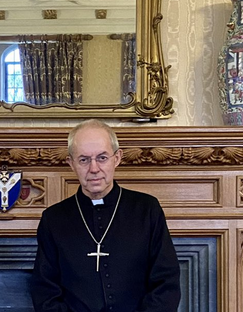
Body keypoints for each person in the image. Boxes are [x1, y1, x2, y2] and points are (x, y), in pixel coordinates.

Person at [30, 119, 181, 312]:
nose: (94, 169)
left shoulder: (147, 210)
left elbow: (166, 283)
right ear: (71, 163)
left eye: (102, 158)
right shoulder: (54, 219)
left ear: (117, 158)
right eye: (84, 160)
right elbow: (45, 291)